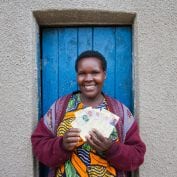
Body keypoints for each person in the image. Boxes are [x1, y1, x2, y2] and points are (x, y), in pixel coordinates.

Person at [31, 50, 146, 177]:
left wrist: (111, 148)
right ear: (77, 76)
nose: (88, 79)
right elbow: (38, 144)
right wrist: (61, 145)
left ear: (104, 75)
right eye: (82, 73)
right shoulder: (59, 108)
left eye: (95, 72)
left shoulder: (121, 112)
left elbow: (137, 155)